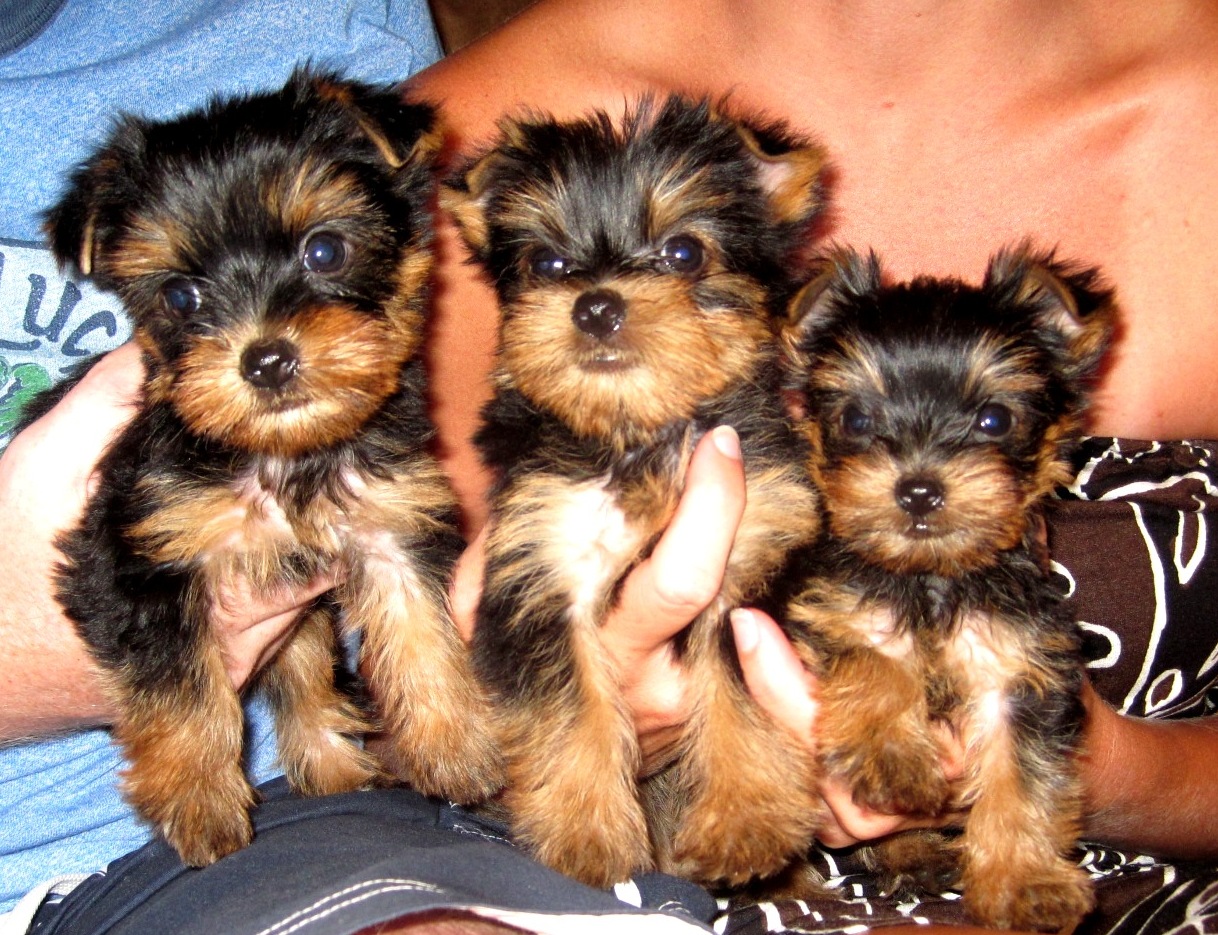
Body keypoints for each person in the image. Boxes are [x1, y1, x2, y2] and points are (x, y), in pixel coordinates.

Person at [4, 0, 1218, 933]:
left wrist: (1114, 774)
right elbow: (458, 648)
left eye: (683, 254)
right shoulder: (466, 124)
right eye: (545, 271)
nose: (604, 299)